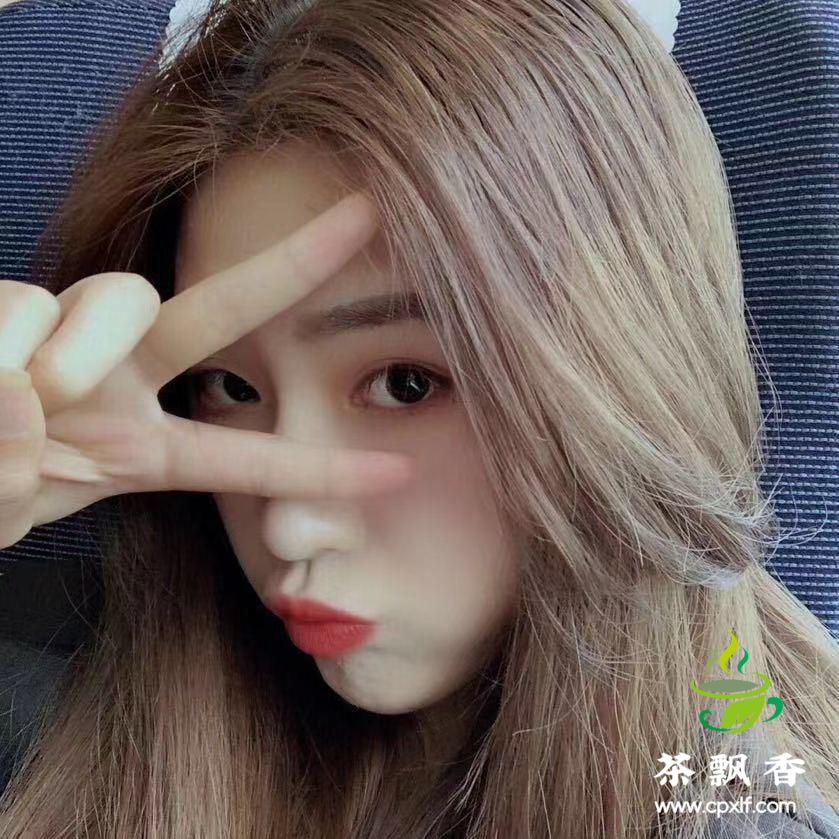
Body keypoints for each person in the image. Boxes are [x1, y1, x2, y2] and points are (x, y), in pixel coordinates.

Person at [0, 0, 837, 836]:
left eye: (404, 384)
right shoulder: (61, 701)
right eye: (226, 386)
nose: (290, 529)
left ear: (619, 377)